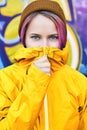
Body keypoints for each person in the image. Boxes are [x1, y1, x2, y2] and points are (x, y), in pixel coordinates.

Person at [0, 0, 87, 130]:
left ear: (62, 39)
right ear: (24, 39)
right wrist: (35, 82)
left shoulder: (79, 82)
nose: (44, 45)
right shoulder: (5, 79)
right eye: (35, 37)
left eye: (53, 37)